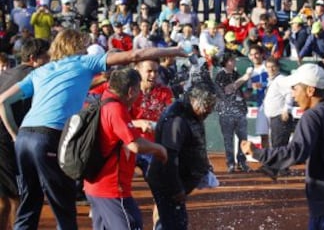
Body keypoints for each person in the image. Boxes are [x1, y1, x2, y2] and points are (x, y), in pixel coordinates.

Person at [0, 28, 186, 229]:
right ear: (77, 46)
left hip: (25, 138)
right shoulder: (84, 62)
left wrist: (15, 134)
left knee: (29, 205)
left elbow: (3, 101)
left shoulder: (42, 71)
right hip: (50, 137)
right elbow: (135, 55)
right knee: (63, 207)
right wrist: (174, 50)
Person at [241, 63, 324, 229]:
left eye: (295, 89)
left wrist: (258, 153)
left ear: (310, 91)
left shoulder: (313, 116)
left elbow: (296, 152)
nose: (293, 95)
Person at [83, 68, 168, 230]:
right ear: (131, 91)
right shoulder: (116, 109)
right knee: (132, 224)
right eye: (137, 91)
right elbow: (135, 144)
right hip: (113, 189)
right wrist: (159, 149)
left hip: (94, 186)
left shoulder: (102, 100)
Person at [147, 82, 217, 229]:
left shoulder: (191, 113)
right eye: (207, 105)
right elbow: (168, 158)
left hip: (175, 180)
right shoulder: (177, 121)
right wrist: (177, 188)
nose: (209, 110)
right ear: (194, 100)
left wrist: (203, 165)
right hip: (168, 183)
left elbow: (195, 143)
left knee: (176, 222)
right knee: (173, 223)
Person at [0, 38, 49, 230]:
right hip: (6, 141)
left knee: (6, 197)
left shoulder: (8, 72)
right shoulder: (34, 76)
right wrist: (14, 134)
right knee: (16, 197)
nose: (50, 62)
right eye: (47, 57)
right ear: (34, 59)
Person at [130, 60, 174, 176]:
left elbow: (172, 119)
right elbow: (118, 121)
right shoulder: (129, 92)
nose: (153, 75)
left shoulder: (165, 92)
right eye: (149, 71)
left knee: (158, 180)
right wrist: (139, 123)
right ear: (137, 71)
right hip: (129, 145)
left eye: (156, 71)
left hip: (152, 147)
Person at [214, 53, 250, 173]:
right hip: (226, 112)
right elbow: (227, 90)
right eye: (231, 60)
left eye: (234, 60)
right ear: (225, 62)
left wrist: (249, 87)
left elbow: (245, 93)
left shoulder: (236, 74)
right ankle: (230, 163)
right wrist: (244, 78)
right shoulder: (220, 75)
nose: (234, 62)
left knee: (243, 138)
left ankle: (242, 162)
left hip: (240, 110)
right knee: (228, 140)